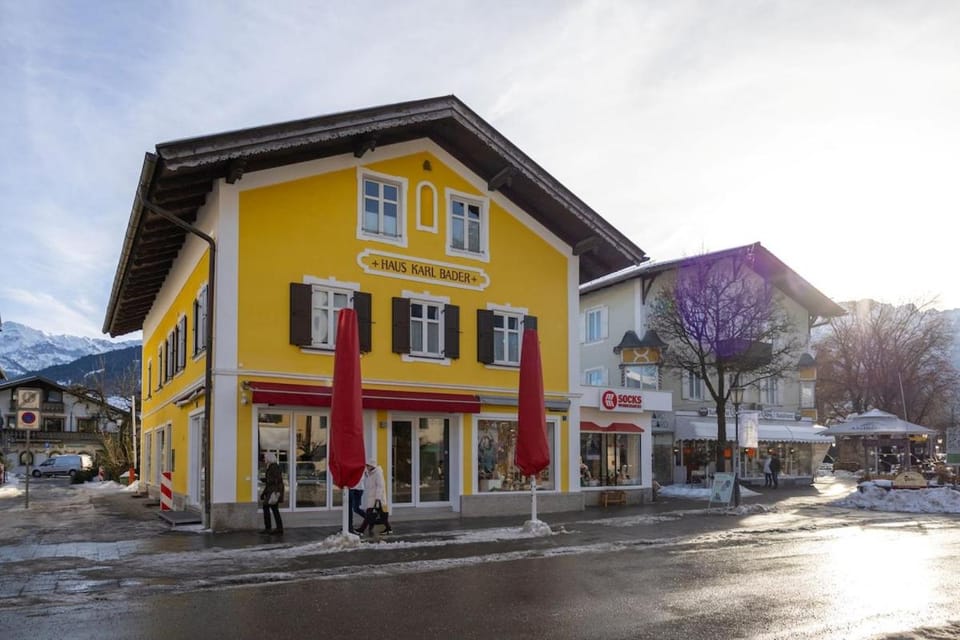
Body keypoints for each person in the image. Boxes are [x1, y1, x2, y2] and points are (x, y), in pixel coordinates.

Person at [355, 459, 391, 537]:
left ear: (372, 466)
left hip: (377, 499)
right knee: (380, 515)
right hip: (373, 498)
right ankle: (388, 529)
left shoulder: (377, 473)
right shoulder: (371, 473)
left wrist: (377, 499)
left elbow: (380, 486)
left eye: (367, 465)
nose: (366, 467)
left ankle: (361, 530)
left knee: (369, 515)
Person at [259, 452, 284, 535]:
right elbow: (271, 481)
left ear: (269, 458)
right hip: (272, 491)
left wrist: (265, 480)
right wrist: (263, 493)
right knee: (274, 509)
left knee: (267, 507)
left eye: (265, 458)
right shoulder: (271, 467)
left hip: (273, 492)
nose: (264, 459)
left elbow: (277, 480)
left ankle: (270, 528)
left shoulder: (274, 467)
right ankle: (278, 528)